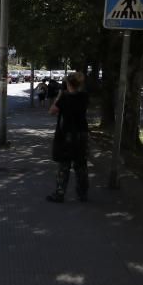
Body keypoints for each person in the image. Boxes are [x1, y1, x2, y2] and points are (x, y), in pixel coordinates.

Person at [47, 71, 89, 203]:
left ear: (68, 84)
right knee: (81, 164)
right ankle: (82, 194)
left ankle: (59, 194)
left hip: (67, 135)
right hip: (82, 133)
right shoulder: (84, 96)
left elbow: (52, 111)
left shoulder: (64, 97)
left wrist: (59, 96)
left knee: (64, 165)